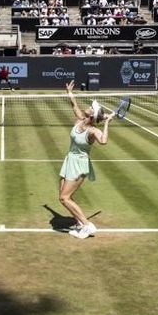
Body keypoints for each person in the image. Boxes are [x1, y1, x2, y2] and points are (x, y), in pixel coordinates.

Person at [59, 80, 110, 239]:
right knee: (64, 197)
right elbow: (74, 105)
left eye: (91, 107)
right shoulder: (80, 119)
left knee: (64, 197)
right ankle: (80, 224)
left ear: (92, 114)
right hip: (69, 160)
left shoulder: (92, 131)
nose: (88, 107)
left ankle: (87, 225)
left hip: (80, 165)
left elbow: (103, 141)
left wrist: (107, 123)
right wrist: (69, 92)